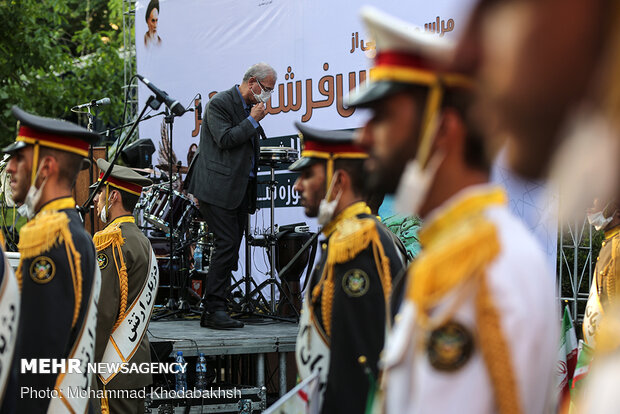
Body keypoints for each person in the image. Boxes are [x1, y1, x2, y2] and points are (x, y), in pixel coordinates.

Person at [348, 8, 557, 413]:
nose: (364, 135)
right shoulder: (464, 252)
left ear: (442, 129)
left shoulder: (478, 265)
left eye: (383, 117)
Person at [291, 123, 406, 413]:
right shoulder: (343, 238)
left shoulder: (359, 244)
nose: (297, 186)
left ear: (338, 181)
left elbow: (361, 363)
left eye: (307, 175)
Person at [3, 106, 101, 413]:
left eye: (19, 157)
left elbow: (36, 361)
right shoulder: (70, 232)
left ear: (45, 168)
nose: (9, 168)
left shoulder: (52, 240)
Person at [188, 62, 276, 329]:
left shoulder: (246, 107)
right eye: (267, 88)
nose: (268, 94)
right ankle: (214, 309)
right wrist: (253, 120)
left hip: (238, 190)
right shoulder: (220, 104)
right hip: (216, 189)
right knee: (226, 244)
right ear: (252, 82)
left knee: (230, 247)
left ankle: (217, 306)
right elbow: (225, 139)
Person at [90, 159, 158, 414]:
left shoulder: (110, 240)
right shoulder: (143, 241)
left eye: (100, 192)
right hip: (135, 362)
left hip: (113, 368)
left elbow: (103, 312)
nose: (96, 199)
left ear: (114, 196)